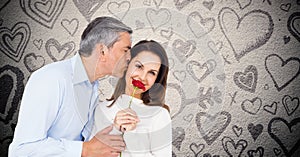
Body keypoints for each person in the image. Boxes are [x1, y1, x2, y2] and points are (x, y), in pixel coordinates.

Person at [9, 16, 134, 157]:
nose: (129, 57)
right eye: (125, 50)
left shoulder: (92, 87)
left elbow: (87, 143)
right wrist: (84, 149)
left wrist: (116, 128)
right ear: (103, 51)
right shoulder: (52, 78)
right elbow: (21, 150)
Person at [89, 40, 172, 156]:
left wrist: (132, 133)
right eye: (139, 66)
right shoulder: (101, 109)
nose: (142, 77)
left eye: (152, 73)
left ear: (156, 80)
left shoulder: (159, 115)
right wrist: (115, 130)